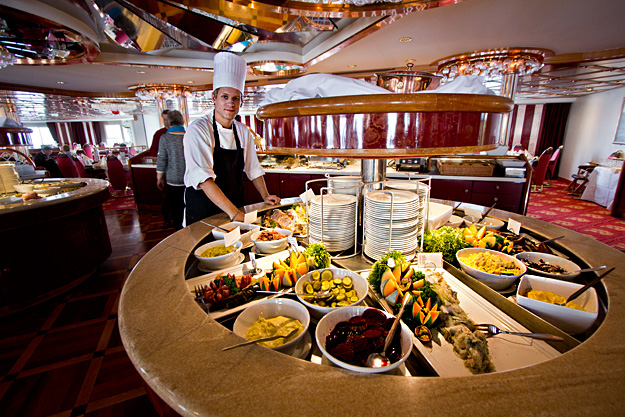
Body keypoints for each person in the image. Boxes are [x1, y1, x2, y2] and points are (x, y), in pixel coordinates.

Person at [184, 52, 280, 226]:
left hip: (234, 206)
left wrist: (265, 195)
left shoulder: (243, 131)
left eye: (236, 98)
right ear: (214, 98)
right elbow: (204, 179)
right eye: (225, 97)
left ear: (241, 103)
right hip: (204, 209)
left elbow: (253, 169)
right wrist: (234, 213)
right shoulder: (198, 129)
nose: (231, 103)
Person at [156, 110, 186, 230]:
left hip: (173, 180)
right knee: (188, 206)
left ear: (168, 122)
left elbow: (162, 159)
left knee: (176, 207)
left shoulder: (165, 138)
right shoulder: (189, 136)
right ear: (182, 122)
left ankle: (178, 230)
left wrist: (159, 178)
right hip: (189, 178)